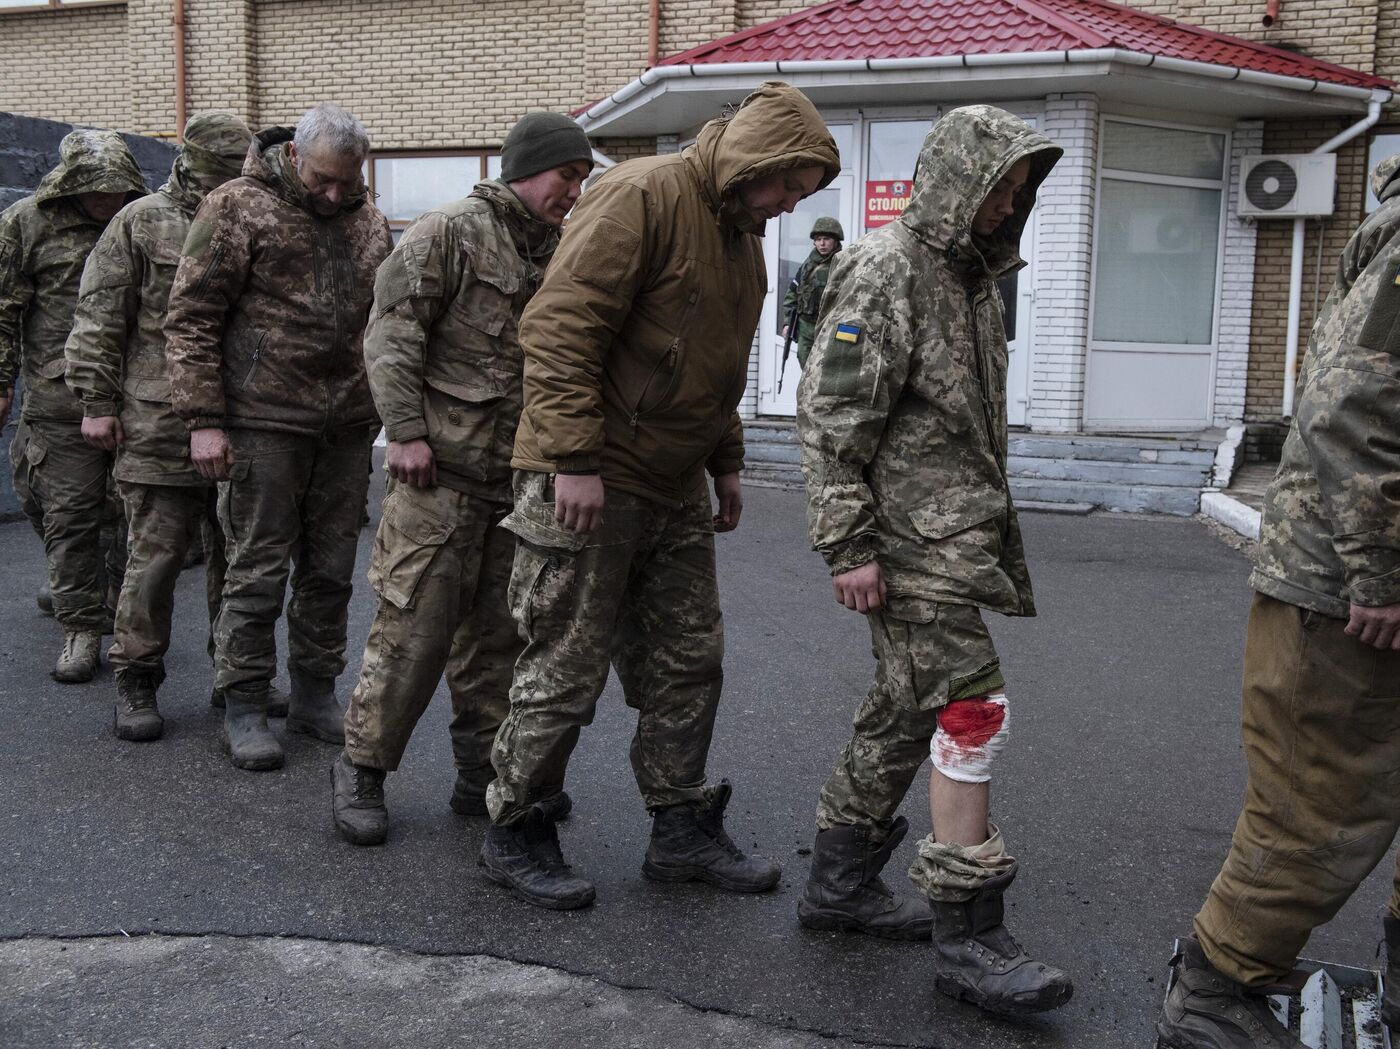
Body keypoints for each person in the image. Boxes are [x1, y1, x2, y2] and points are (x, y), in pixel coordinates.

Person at [479, 81, 840, 910]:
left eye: (803, 195)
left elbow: (713, 365)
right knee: (566, 665)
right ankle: (514, 825)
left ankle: (679, 827)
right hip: (590, 474)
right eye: (788, 184)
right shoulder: (642, 194)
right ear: (757, 159)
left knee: (688, 660)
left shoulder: (740, 232)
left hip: (671, 479)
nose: (789, 205)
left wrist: (728, 461)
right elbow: (559, 325)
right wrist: (572, 457)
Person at [796, 105, 1072, 1016]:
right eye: (996, 184)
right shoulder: (886, 270)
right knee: (969, 707)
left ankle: (838, 883)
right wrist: (848, 545)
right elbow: (833, 422)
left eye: (1019, 188)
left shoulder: (971, 279)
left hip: (955, 541)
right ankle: (971, 933)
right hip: (906, 546)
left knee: (902, 711)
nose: (1008, 203)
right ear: (955, 178)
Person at [1156, 154, 1400, 1049]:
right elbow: (1347, 403)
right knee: (1317, 802)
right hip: (1346, 587)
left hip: (1368, 573)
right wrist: (1379, 570)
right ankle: (1215, 991)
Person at [331, 112, 594, 846]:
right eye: (564, 175)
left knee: (498, 639)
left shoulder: (562, 251)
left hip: (516, 481)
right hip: (438, 473)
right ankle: (361, 768)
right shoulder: (449, 231)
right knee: (414, 630)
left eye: (581, 179)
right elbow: (391, 332)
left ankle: (481, 773)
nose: (573, 191)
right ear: (525, 168)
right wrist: (406, 433)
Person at [164, 104, 392, 772]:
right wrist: (203, 419)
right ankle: (245, 702)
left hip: (346, 427)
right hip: (261, 421)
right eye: (324, 178)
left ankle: (316, 693)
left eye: (346, 183)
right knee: (257, 568)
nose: (334, 194)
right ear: (294, 155)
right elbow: (192, 318)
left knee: (330, 572)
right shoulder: (235, 206)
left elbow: (387, 322)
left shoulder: (369, 221)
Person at [65, 112, 256, 742]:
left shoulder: (254, 216)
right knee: (155, 558)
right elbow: (99, 315)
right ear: (193, 166)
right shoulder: (141, 220)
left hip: (245, 422)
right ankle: (137, 678)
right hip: (157, 419)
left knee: (241, 560)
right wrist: (96, 402)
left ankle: (237, 681)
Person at [0, 129, 147, 683]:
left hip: (133, 394)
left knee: (129, 512)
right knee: (59, 511)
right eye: (98, 190)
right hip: (58, 396)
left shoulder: (140, 217)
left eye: (118, 189)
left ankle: (92, 612)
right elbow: (4, 308)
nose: (110, 199)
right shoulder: (25, 223)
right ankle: (80, 623)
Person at [781, 216, 843, 368]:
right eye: (818, 239)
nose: (822, 243)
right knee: (806, 367)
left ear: (835, 240)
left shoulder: (843, 263)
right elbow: (792, 295)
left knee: (827, 370)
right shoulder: (807, 266)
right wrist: (787, 323)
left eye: (826, 239)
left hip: (830, 327)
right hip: (806, 328)